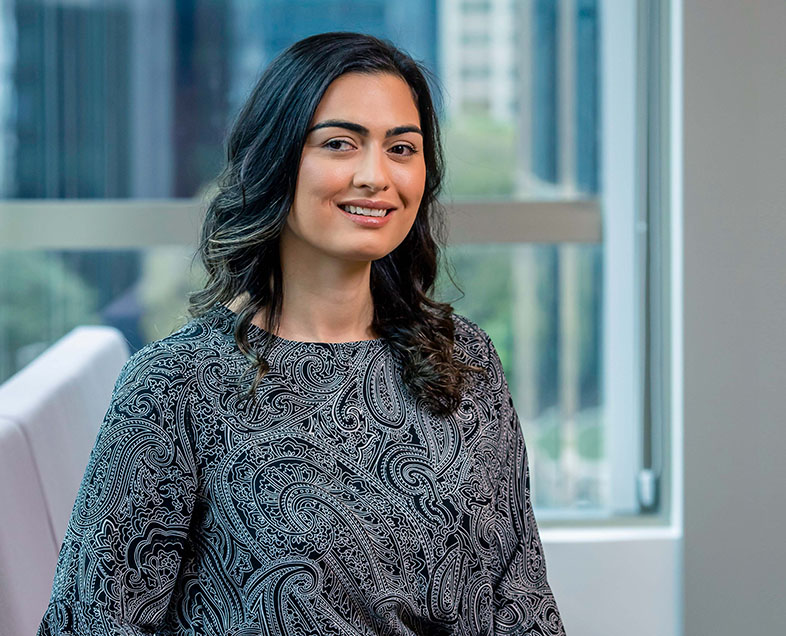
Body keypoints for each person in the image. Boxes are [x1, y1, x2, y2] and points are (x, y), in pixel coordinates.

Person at [37, 32, 566, 635]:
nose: (376, 175)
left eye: (402, 148)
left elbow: (522, 601)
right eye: (340, 143)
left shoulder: (464, 358)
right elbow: (95, 621)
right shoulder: (178, 386)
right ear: (278, 159)